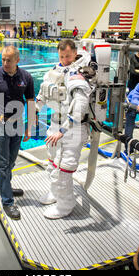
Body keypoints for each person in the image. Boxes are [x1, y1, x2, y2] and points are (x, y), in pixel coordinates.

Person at [35, 39, 92, 219]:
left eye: (68, 56)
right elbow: (43, 92)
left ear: (75, 53)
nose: (65, 60)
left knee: (63, 169)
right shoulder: (55, 71)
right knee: (52, 163)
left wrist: (64, 130)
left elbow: (80, 106)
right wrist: (35, 109)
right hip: (56, 125)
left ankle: (65, 205)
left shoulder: (78, 75)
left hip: (72, 129)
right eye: (61, 56)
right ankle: (55, 194)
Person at [0, 46, 36, 220]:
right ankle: (8, 201)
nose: (5, 63)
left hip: (17, 123)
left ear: (17, 60)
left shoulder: (26, 77)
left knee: (11, 161)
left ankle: (3, 187)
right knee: (2, 163)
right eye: (3, 59)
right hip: (0, 124)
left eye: (8, 60)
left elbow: (31, 102)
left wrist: (29, 127)